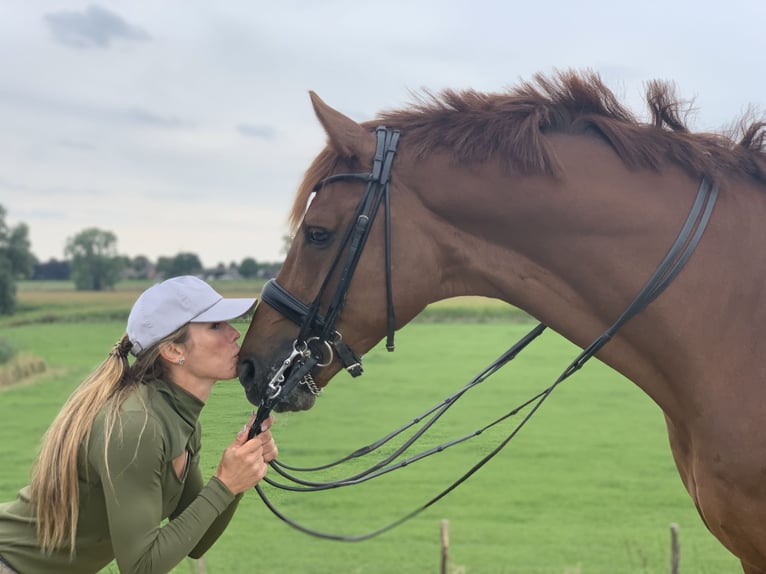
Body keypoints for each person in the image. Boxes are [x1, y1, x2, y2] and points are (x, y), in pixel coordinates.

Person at [0, 276, 276, 574]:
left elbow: (195, 542)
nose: (234, 334)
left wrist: (240, 475)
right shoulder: (137, 426)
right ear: (173, 351)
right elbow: (140, 567)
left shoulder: (180, 423)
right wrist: (224, 484)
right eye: (215, 326)